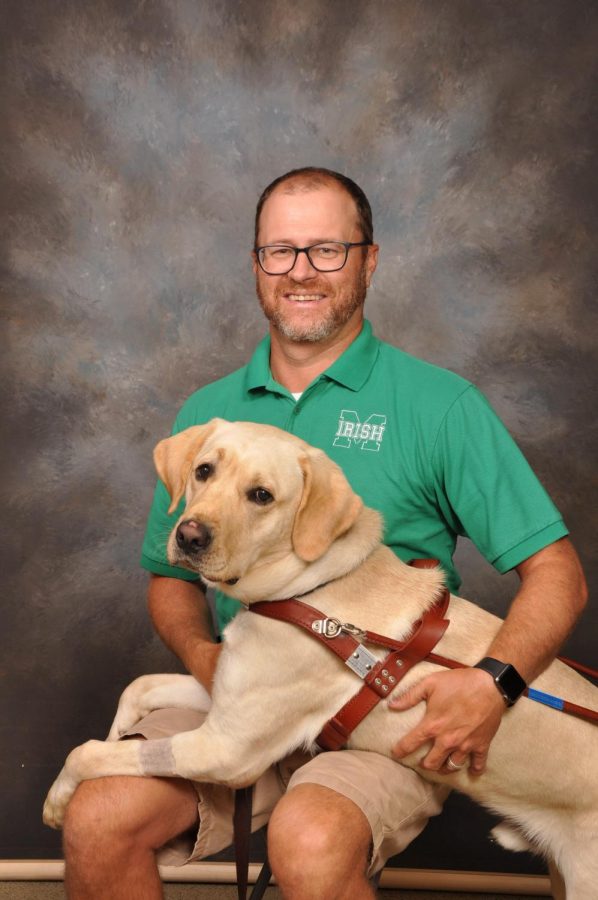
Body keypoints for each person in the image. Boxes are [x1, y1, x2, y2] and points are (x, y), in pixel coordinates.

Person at [62, 168, 587, 900]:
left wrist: (492, 685)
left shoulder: (439, 405)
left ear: (369, 260)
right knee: (97, 815)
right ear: (255, 266)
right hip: (249, 689)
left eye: (327, 250)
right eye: (280, 251)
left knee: (309, 837)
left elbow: (557, 572)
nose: (300, 271)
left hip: (385, 708)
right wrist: (206, 659)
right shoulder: (209, 414)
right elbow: (171, 577)